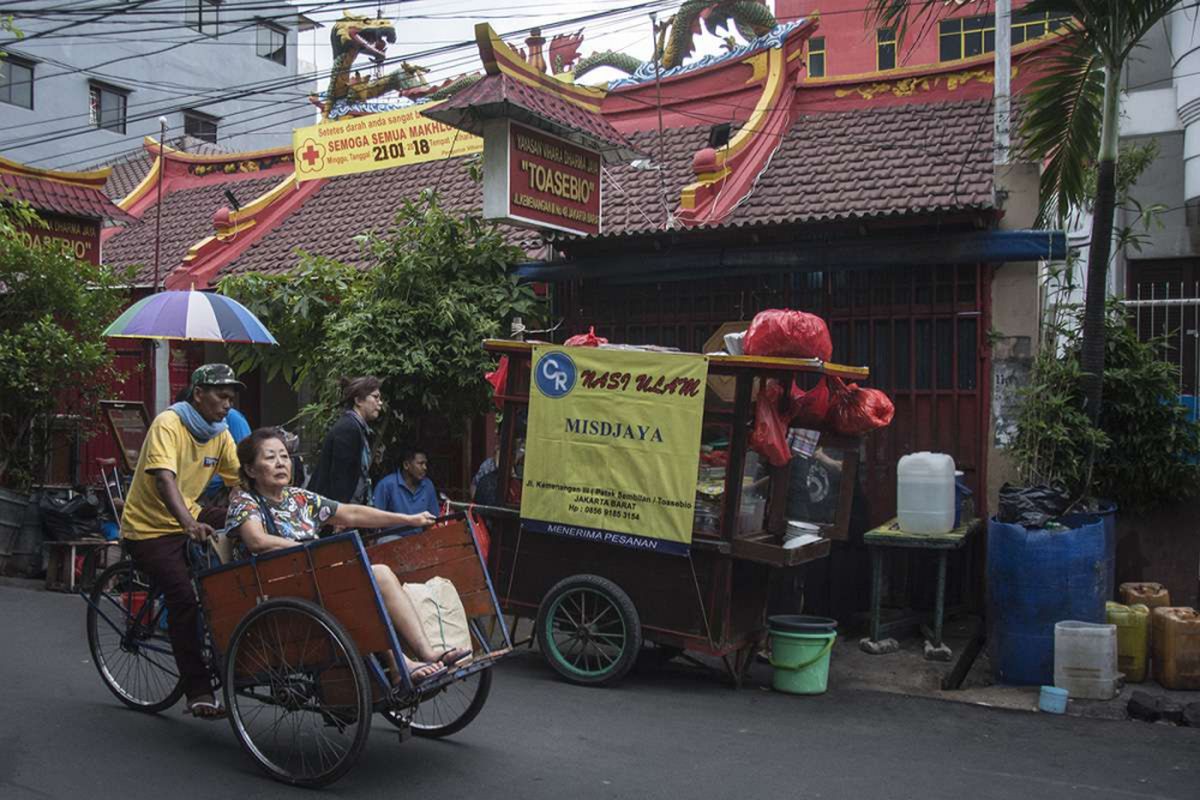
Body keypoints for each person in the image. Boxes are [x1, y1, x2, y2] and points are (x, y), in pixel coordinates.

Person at [226, 428, 470, 685]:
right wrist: (304, 549)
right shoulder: (245, 501)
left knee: (380, 574)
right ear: (251, 470)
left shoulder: (298, 497)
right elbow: (256, 540)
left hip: (314, 575)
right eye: (270, 457)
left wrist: (407, 519)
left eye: (284, 456)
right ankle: (401, 664)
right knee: (354, 586)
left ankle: (427, 653)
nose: (280, 463)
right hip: (275, 586)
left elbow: (351, 513)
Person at [119, 364, 243, 719]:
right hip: (149, 529)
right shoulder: (169, 424)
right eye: (221, 396)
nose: (227, 404)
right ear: (198, 393)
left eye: (231, 398)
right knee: (184, 598)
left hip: (190, 514)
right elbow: (164, 480)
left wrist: (250, 509)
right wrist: (188, 523)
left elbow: (239, 479)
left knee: (244, 526)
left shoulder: (220, 433)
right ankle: (197, 689)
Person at [309, 376, 382, 506]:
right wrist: (340, 514)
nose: (380, 403)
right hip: (335, 513)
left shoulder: (356, 427)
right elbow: (340, 476)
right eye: (376, 397)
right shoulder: (349, 428)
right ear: (359, 400)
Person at [372, 446, 440, 537]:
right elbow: (374, 520)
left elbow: (434, 519)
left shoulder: (428, 485)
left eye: (425, 464)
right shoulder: (386, 485)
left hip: (420, 540)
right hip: (391, 541)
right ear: (406, 465)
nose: (425, 467)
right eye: (420, 463)